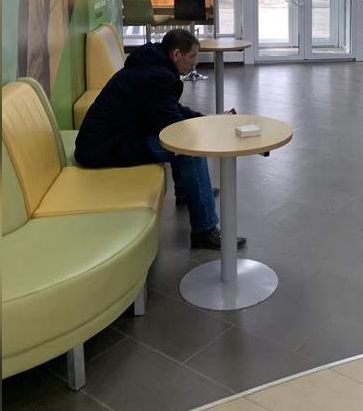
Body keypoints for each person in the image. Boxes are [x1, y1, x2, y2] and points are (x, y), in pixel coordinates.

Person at [74, 29, 245, 251]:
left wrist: (206, 120)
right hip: (106, 147)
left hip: (115, 137)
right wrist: (208, 125)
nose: (194, 63)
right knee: (189, 149)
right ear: (176, 54)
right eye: (192, 56)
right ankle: (205, 230)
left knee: (183, 142)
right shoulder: (157, 76)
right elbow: (173, 125)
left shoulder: (153, 64)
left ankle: (187, 191)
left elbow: (170, 109)